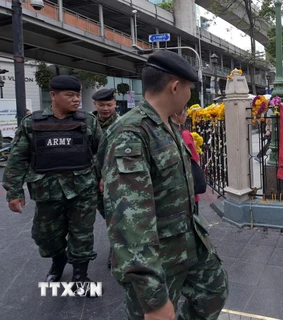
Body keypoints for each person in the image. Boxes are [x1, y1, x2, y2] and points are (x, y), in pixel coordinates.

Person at [97, 50, 228, 320]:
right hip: (157, 256)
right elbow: (130, 222)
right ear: (175, 86)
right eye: (190, 88)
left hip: (189, 240)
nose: (190, 94)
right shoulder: (130, 134)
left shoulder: (164, 124)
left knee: (213, 292)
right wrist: (152, 297)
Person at [2, 75, 103, 292]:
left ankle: (80, 276)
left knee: (82, 234)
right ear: (53, 96)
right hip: (47, 191)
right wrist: (13, 191)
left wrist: (103, 178)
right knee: (45, 236)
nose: (76, 99)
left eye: (78, 95)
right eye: (70, 95)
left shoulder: (88, 122)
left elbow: (103, 152)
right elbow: (18, 158)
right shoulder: (32, 124)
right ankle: (59, 260)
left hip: (82, 190)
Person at [92, 87, 119, 269]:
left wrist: (106, 175)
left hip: (114, 178)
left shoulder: (122, 123)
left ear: (115, 104)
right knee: (104, 213)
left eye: (109, 105)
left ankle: (116, 250)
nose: (106, 108)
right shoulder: (87, 123)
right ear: (95, 104)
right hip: (89, 178)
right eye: (102, 105)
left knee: (115, 215)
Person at [171, 106, 202, 214]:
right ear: (176, 114)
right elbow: (195, 159)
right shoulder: (185, 134)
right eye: (185, 111)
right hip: (188, 189)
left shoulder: (165, 133)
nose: (187, 114)